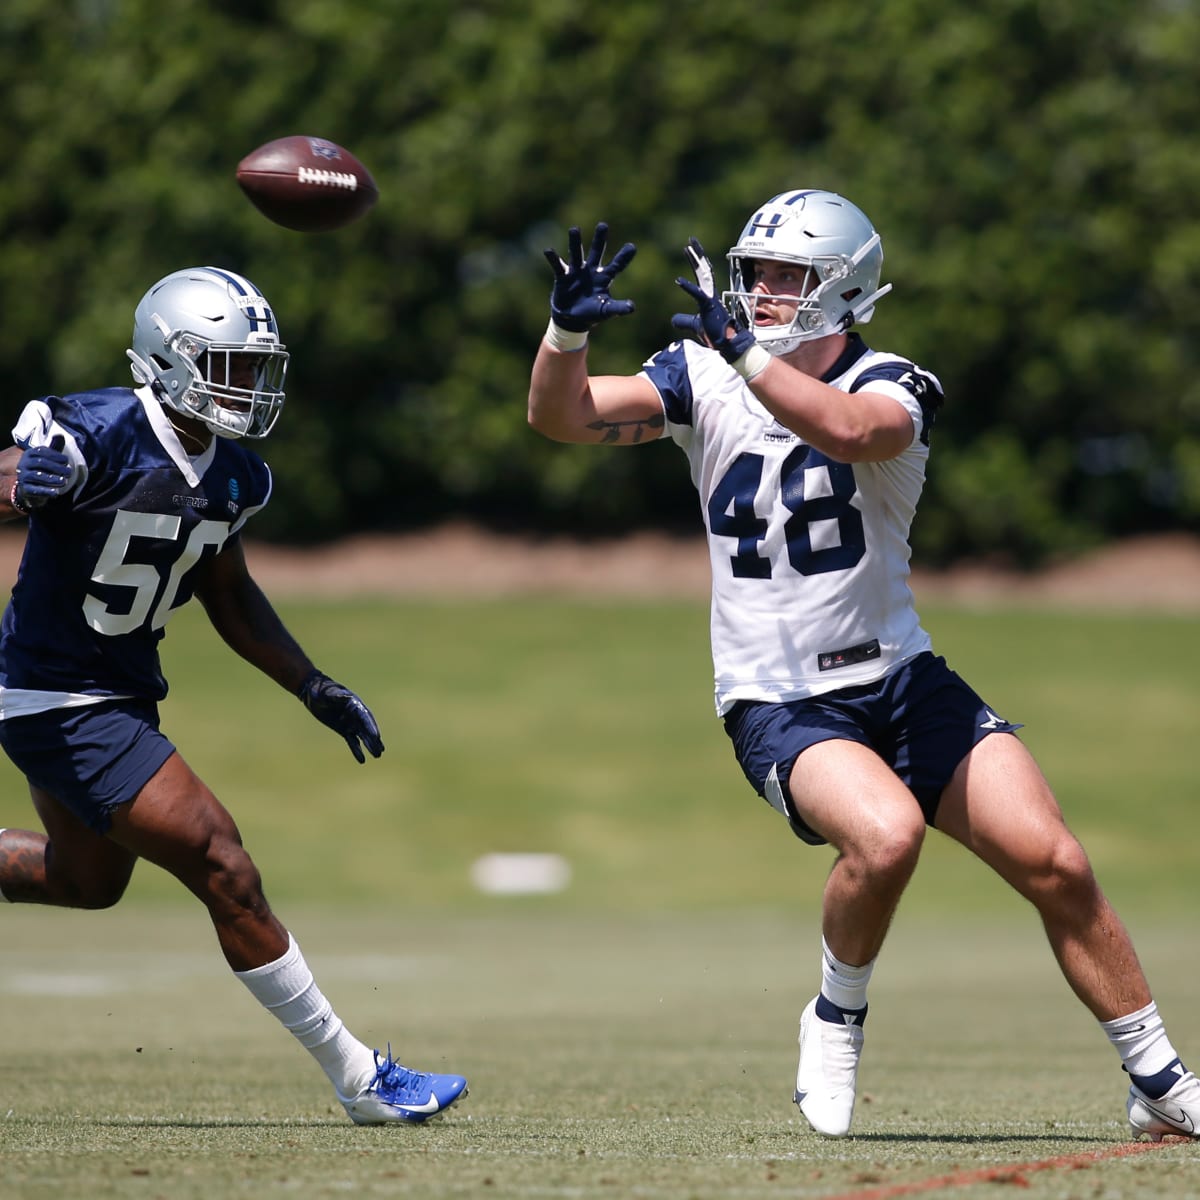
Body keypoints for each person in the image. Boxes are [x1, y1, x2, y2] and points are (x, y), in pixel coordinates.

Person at [527, 192, 1199, 1141]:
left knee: (1056, 861)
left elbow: (850, 432)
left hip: (899, 678)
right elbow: (564, 418)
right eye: (753, 273)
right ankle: (836, 1018)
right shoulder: (702, 376)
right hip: (780, 697)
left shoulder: (896, 382)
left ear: (841, 291)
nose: (759, 292)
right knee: (885, 838)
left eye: (784, 277)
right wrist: (562, 336)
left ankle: (1159, 1081)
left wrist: (749, 356)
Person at [0, 266, 467, 1125]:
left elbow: (230, 595)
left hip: (117, 696)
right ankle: (360, 1079)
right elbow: (18, 468)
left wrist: (311, 684)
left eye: (254, 367)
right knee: (223, 861)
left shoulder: (235, 474)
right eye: (228, 365)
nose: (246, 386)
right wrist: (21, 479)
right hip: (60, 697)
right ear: (168, 361)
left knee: (85, 882)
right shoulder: (98, 428)